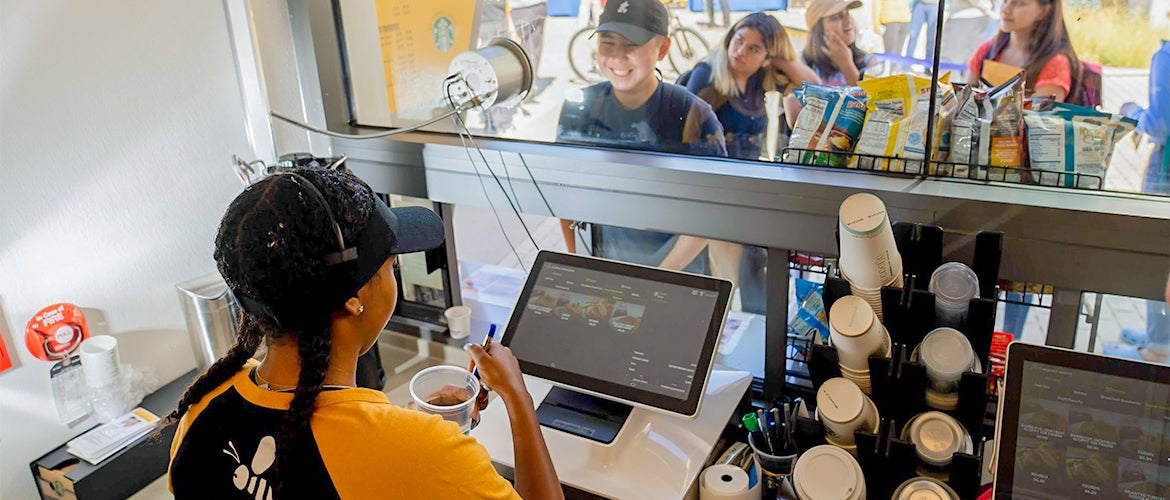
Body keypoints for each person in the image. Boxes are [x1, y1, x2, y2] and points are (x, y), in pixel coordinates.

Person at [167, 168, 563, 499]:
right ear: (354, 298)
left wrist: (389, 429)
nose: (393, 276)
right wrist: (517, 397)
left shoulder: (202, 407)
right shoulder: (423, 453)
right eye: (391, 266)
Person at [556, 0, 726, 273]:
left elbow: (712, 210)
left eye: (631, 44)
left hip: (678, 274)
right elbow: (564, 193)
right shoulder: (580, 110)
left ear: (663, 48)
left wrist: (659, 276)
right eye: (607, 42)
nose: (617, 57)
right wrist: (580, 261)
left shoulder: (692, 114)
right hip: (603, 266)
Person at [1106, 39, 1170, 364]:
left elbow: (1160, 123)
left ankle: (1159, 345)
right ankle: (1158, 334)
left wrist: (1132, 111)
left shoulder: (1167, 54)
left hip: (1168, 168)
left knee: (1160, 254)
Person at [682, 12, 820, 160]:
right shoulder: (706, 75)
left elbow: (813, 86)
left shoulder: (760, 77)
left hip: (749, 171)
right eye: (739, 41)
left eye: (753, 49)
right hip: (713, 169)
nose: (741, 52)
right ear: (730, 39)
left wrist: (777, 59)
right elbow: (687, 139)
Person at [966, 0, 1079, 101]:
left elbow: (1039, 120)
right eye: (1004, 1)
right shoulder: (985, 51)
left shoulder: (1055, 63)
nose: (1006, 9)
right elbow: (963, 104)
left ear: (1043, 11)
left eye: (1019, 3)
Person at [801, 0, 876, 86]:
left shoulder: (868, 61)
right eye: (837, 17)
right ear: (819, 31)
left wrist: (847, 65)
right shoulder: (805, 64)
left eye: (847, 14)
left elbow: (868, 97)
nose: (848, 21)